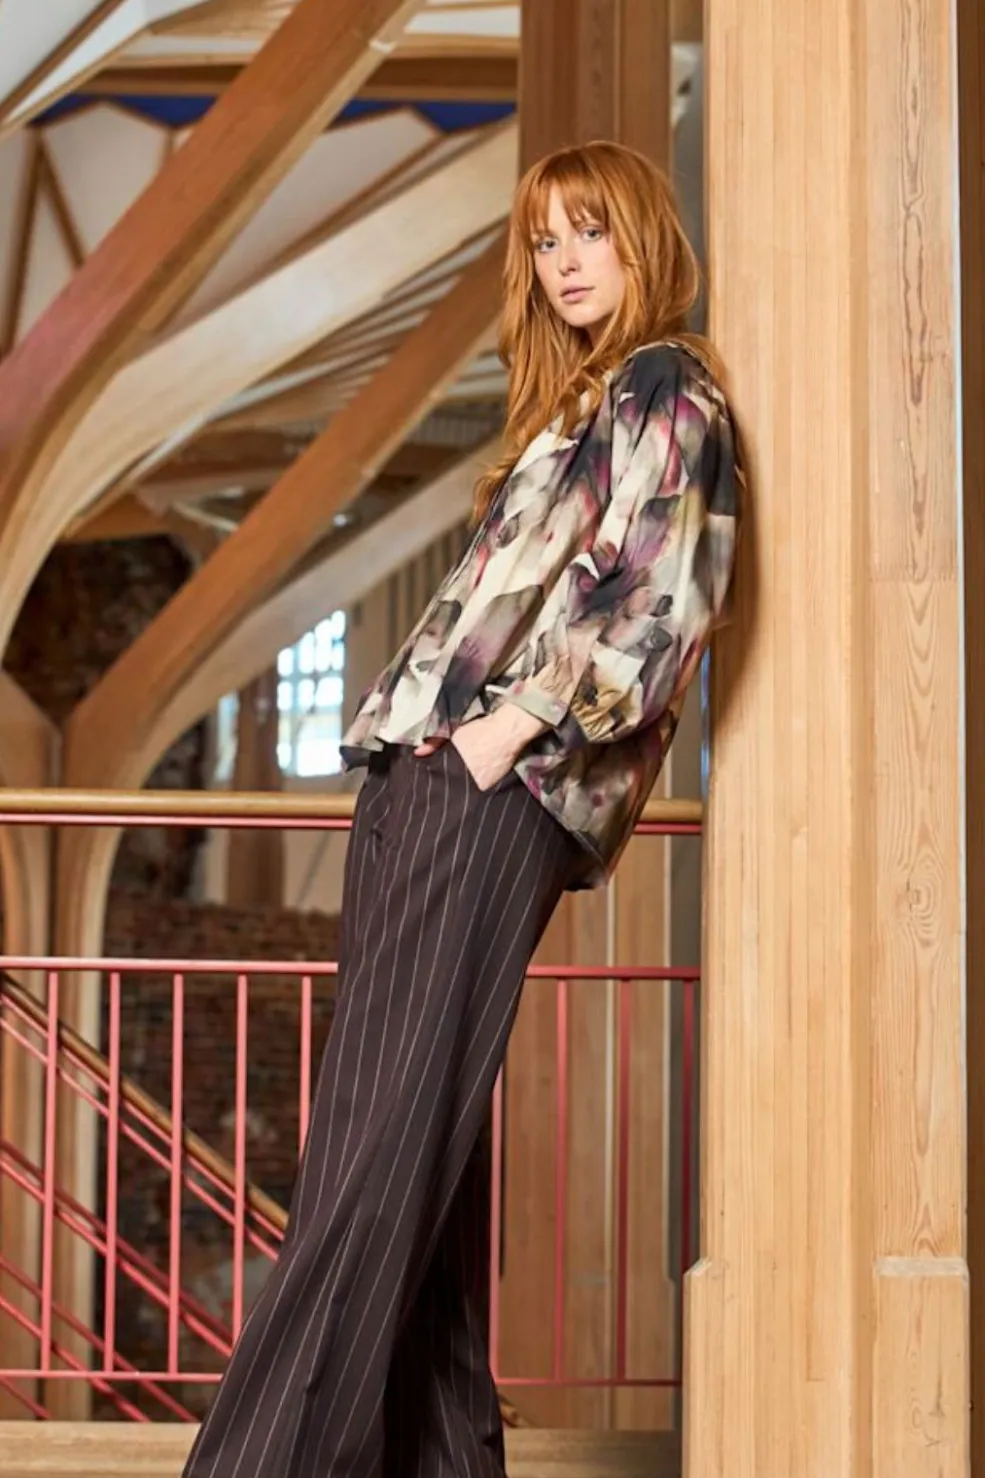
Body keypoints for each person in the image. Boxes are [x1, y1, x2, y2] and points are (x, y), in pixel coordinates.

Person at [182, 139, 741, 1478]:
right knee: (413, 1144)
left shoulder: (667, 386)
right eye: (545, 241)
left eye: (590, 232)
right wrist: (434, 752)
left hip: (488, 783)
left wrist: (504, 731)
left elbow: (660, 601)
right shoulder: (582, 406)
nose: (564, 263)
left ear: (644, 239)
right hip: (423, 779)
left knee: (369, 1152)